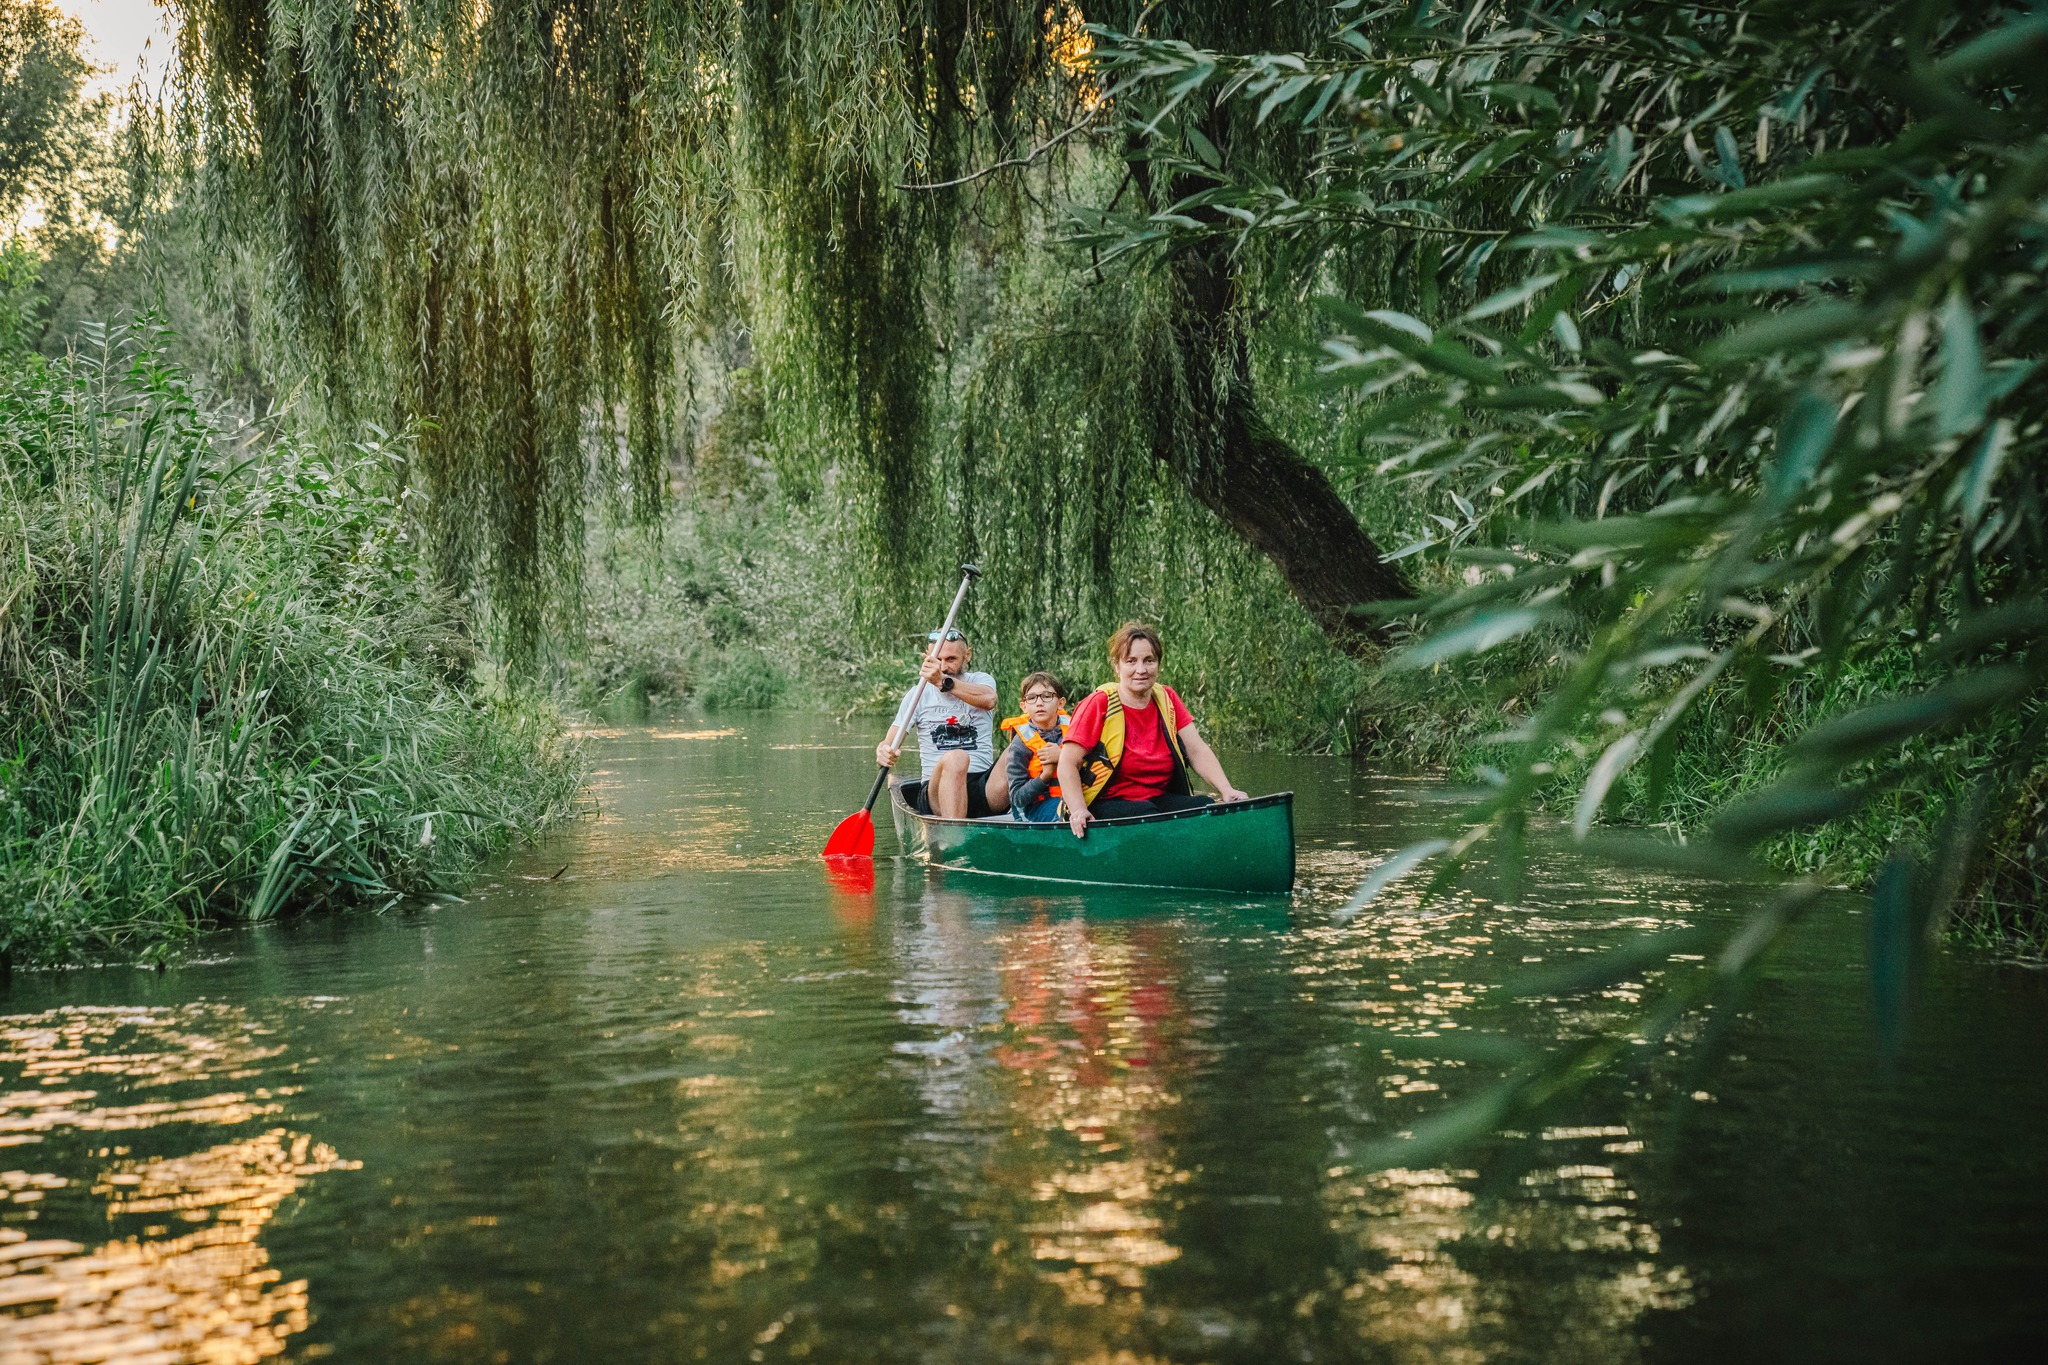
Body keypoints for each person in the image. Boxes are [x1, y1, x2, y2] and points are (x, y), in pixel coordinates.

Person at [1055, 622, 1250, 838]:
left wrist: (1226, 789)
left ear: (1158, 664)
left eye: (1149, 660)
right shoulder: (1098, 703)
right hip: (1105, 803)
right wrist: (1079, 810)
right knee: (1147, 814)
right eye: (1131, 661)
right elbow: (1067, 764)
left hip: (1156, 800)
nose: (1141, 670)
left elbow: (1197, 750)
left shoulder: (1168, 698)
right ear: (1117, 666)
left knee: (1203, 805)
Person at [877, 629, 1008, 819]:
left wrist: (942, 682)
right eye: (937, 660)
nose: (943, 667)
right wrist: (883, 751)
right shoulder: (917, 695)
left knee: (1022, 744)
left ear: (967, 655)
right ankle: (953, 837)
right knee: (956, 758)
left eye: (951, 659)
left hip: (983, 787)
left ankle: (1045, 819)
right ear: (927, 659)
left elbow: (989, 700)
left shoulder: (981, 680)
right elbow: (889, 742)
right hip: (936, 791)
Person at [998, 673, 1071, 823]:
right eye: (1032, 698)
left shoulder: (1074, 730)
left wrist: (1064, 756)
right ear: (1024, 707)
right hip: (1039, 806)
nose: (1039, 703)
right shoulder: (1020, 744)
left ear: (1061, 703)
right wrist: (1045, 775)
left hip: (1077, 796)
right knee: (1069, 812)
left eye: (1047, 696)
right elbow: (1017, 798)